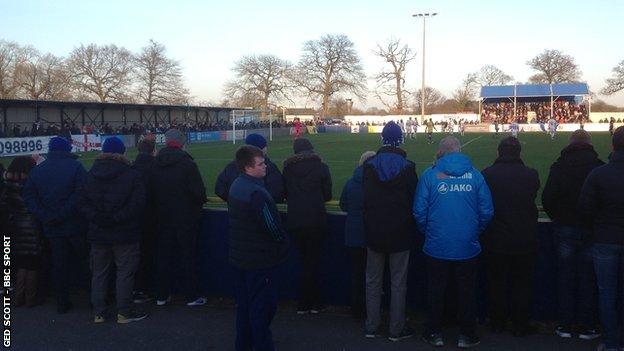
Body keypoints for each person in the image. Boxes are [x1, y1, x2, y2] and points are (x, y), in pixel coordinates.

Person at [413, 136, 493, 349]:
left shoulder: (430, 175)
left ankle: (434, 333)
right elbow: (486, 211)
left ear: (441, 152)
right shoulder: (475, 176)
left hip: (437, 245)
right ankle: (467, 334)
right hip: (467, 245)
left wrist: (428, 232)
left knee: (436, 291)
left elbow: (419, 211)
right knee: (467, 292)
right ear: (459, 150)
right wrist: (474, 232)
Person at [77, 137, 147, 324]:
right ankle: (123, 312)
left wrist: (99, 218)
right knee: (125, 273)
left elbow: (82, 203)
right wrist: (115, 218)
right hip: (124, 233)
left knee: (99, 273)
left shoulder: (91, 174)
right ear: (122, 152)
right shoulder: (132, 174)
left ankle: (99, 312)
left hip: (99, 232)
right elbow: (138, 204)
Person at [542, 129, 603, 340]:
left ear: (570, 143)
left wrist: (558, 218)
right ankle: (587, 326)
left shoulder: (559, 167)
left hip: (565, 228)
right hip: (591, 230)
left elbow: (548, 197)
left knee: (565, 277)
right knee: (588, 277)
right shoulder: (599, 167)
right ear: (589, 143)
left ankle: (565, 325)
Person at [228, 145, 290, 351]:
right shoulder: (256, 193)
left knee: (245, 308)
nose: (266, 166)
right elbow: (272, 226)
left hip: (241, 258)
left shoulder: (237, 185)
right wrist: (282, 241)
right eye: (261, 163)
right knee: (261, 310)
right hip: (259, 261)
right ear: (248, 167)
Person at [362, 122, 418, 341]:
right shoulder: (408, 167)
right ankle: (396, 328)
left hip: (375, 231)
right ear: (400, 139)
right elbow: (414, 201)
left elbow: (366, 200)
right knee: (398, 283)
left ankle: (371, 325)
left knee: (373, 281)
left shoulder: (369, 166)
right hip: (400, 232)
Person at [481, 137, 540, 336]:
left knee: (496, 283)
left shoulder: (487, 174)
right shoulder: (531, 175)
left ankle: (497, 322)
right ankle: (520, 324)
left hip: (496, 239)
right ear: (519, 153)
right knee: (522, 284)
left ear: (498, 153)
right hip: (524, 239)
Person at [23, 136, 87, 314]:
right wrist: (62, 214)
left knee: (59, 263)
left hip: (52, 226)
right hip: (73, 224)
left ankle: (62, 302)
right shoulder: (76, 167)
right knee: (84, 261)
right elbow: (80, 194)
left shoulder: (38, 170)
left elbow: (29, 197)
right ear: (66, 149)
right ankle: (93, 298)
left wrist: (45, 215)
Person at [578, 126, 624, 351]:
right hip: (606, 238)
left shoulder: (599, 173)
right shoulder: (598, 173)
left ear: (612, 146)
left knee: (607, 293)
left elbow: (585, 208)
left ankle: (612, 342)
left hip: (605, 239)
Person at [151, 129, 207, 306]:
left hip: (161, 217)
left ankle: (161, 295)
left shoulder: (155, 163)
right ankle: (191, 296)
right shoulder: (187, 164)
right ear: (182, 143)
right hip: (186, 218)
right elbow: (198, 193)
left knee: (163, 257)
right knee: (188, 256)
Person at [282, 138, 332, 314]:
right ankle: (315, 303)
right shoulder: (321, 167)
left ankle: (303, 303)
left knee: (302, 261)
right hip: (316, 220)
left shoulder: (287, 168)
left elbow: (283, 193)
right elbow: (327, 195)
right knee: (314, 262)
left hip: (295, 220)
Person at [0, 156, 43, 307]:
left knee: (21, 263)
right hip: (30, 226)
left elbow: (5, 205)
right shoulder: (30, 184)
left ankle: (18, 297)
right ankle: (30, 298)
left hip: (15, 226)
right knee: (32, 264)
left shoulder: (8, 184)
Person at [339, 151, 376, 320]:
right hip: (372, 235)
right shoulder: (378, 183)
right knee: (373, 275)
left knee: (356, 273)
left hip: (354, 234)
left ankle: (357, 310)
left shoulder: (350, 183)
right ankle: (372, 311)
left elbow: (343, 205)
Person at [215, 133, 284, 203]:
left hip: (236, 210)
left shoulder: (231, 166)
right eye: (265, 146)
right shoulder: (269, 167)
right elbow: (277, 193)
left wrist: (235, 200)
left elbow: (220, 189)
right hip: (259, 211)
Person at [131, 137, 157, 303]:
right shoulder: (156, 168)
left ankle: (137, 290)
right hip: (154, 219)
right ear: (153, 150)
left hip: (132, 220)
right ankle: (147, 290)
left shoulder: (131, 168)